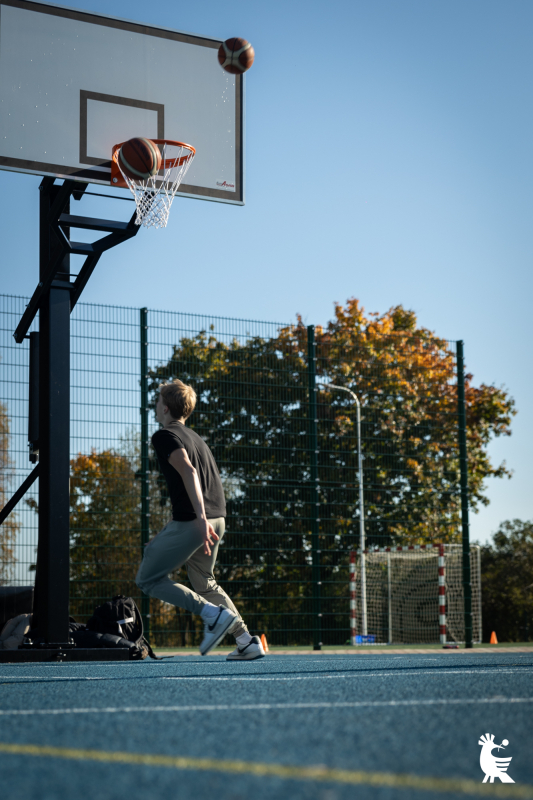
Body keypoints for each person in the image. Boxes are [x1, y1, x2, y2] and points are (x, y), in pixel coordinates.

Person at [135, 379, 265, 660]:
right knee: (205, 583)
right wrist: (176, 529)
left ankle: (212, 615)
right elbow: (191, 489)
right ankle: (246, 641)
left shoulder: (164, 436)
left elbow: (190, 473)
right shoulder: (197, 438)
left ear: (166, 407)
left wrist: (199, 520)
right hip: (216, 519)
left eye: (158, 403)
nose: (156, 407)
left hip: (199, 522)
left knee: (148, 578)